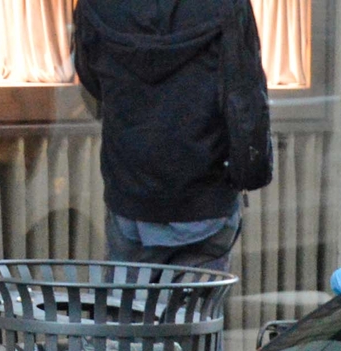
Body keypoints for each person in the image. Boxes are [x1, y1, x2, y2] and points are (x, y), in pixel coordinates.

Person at [73, 0, 275, 270]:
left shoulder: (96, 5)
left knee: (130, 308)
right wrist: (250, 171)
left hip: (130, 191)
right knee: (199, 311)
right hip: (207, 193)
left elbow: (91, 80)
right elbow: (246, 94)